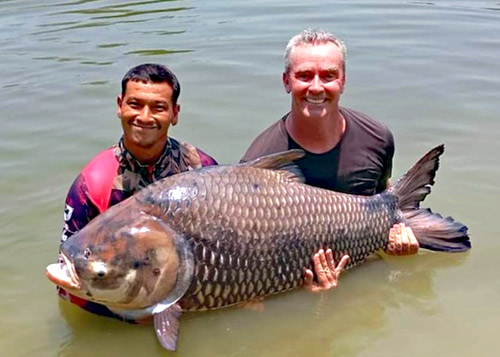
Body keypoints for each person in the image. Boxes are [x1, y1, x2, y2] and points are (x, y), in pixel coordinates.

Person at [58, 63, 345, 322]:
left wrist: (250, 289)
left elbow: (237, 235)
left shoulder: (200, 166)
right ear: (120, 106)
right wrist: (132, 315)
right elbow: (69, 289)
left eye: (158, 107)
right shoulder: (92, 184)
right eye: (135, 104)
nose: (144, 117)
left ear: (175, 113)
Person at [241, 29, 419, 273]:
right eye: (304, 75)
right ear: (286, 81)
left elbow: (382, 194)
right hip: (299, 277)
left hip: (361, 267)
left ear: (343, 81)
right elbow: (256, 255)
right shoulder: (259, 160)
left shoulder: (377, 137)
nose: (316, 88)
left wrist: (398, 237)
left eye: (328, 76)